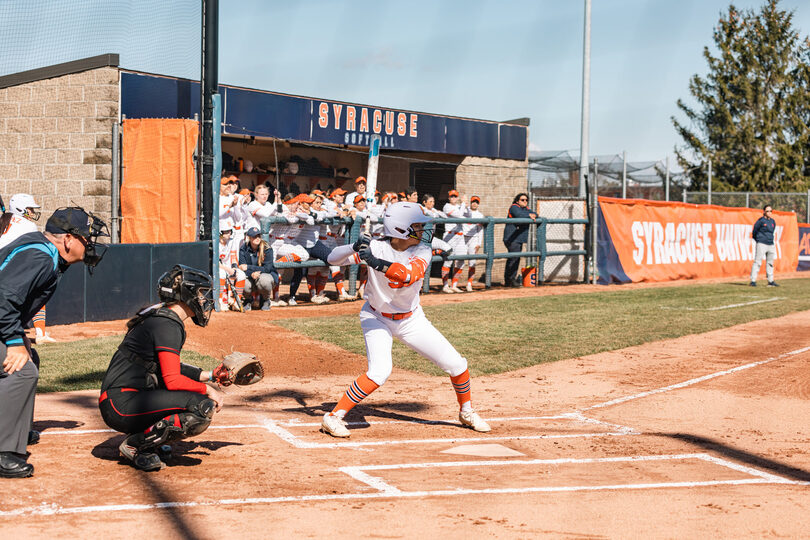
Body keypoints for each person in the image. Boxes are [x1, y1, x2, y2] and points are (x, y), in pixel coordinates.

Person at [320, 202, 491, 438]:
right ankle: (333, 416)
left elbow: (409, 275)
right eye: (418, 226)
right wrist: (354, 246)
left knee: (457, 364)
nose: (423, 230)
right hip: (375, 316)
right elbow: (332, 258)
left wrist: (374, 261)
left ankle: (467, 411)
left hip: (411, 319)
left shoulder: (422, 250)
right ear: (401, 229)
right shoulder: (376, 247)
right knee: (380, 372)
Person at [1, 207, 108, 478]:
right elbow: (2, 298)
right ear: (68, 240)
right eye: (86, 238)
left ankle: (17, 431)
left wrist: (19, 338)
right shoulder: (39, 256)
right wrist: (14, 341)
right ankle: (4, 453)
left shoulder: (39, 249)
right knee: (22, 370)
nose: (90, 244)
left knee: (29, 357)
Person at [98, 265, 224, 472]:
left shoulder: (162, 318)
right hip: (121, 404)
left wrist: (210, 376)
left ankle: (148, 439)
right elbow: (172, 379)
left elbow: (167, 368)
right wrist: (209, 390)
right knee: (202, 407)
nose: (204, 300)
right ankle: (137, 444)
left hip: (124, 400)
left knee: (187, 395)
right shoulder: (167, 324)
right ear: (187, 295)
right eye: (201, 294)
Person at [0, 194, 55, 343]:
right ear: (21, 209)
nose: (32, 212)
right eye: (30, 209)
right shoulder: (27, 225)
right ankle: (40, 333)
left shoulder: (5, 221)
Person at [239, 227, 279, 310]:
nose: (257, 238)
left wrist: (250, 268)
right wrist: (251, 273)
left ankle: (265, 300)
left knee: (264, 280)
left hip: (266, 275)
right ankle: (248, 300)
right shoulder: (244, 248)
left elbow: (267, 269)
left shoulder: (267, 248)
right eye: (254, 236)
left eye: (259, 236)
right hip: (250, 276)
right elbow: (242, 268)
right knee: (243, 282)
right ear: (249, 237)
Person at [503, 193, 537, 287]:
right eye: (522, 200)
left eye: (526, 200)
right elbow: (519, 215)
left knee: (515, 258)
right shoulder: (514, 207)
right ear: (517, 201)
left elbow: (535, 214)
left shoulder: (526, 209)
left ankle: (509, 280)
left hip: (519, 238)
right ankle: (510, 280)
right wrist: (529, 215)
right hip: (511, 237)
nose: (525, 201)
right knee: (514, 258)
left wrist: (531, 214)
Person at [441, 190, 469, 293]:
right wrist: (462, 204)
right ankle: (445, 286)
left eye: (455, 196)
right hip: (450, 236)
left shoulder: (459, 206)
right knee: (448, 260)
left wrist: (466, 204)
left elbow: (468, 214)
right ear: (449, 198)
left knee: (461, 260)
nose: (453, 198)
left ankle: (454, 285)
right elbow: (458, 215)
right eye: (451, 196)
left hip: (460, 236)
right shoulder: (446, 206)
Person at [750, 204, 779, 287]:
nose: (769, 212)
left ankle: (771, 280)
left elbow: (772, 231)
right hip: (762, 244)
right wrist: (759, 240)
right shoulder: (761, 221)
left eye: (770, 211)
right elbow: (754, 231)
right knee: (757, 262)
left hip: (771, 244)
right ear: (764, 212)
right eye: (767, 211)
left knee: (770, 263)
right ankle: (753, 280)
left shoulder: (773, 221)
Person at [464, 196, 485, 292]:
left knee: (472, 262)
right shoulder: (465, 211)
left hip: (474, 239)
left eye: (476, 202)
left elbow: (480, 230)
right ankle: (454, 284)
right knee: (458, 261)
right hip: (463, 238)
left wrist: (479, 243)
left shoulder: (480, 215)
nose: (474, 204)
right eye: (473, 202)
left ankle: (469, 284)